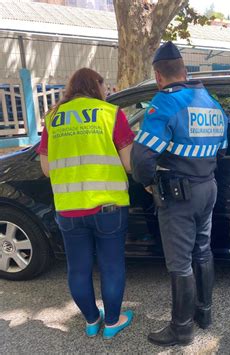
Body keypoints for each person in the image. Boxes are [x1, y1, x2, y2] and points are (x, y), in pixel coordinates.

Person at [131, 41, 228, 346]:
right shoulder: (210, 102)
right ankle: (204, 313)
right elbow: (225, 146)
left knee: (180, 263)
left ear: (158, 77)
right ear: (185, 71)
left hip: (179, 195)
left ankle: (181, 328)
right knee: (203, 250)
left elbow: (141, 157)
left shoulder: (165, 103)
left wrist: (147, 183)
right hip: (208, 187)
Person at [37, 68, 134, 339]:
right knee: (111, 265)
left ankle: (92, 320)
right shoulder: (110, 113)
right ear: (97, 85)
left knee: (78, 268)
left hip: (68, 208)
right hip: (108, 207)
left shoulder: (54, 118)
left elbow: (46, 168)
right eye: (104, 86)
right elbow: (129, 162)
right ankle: (113, 322)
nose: (106, 92)